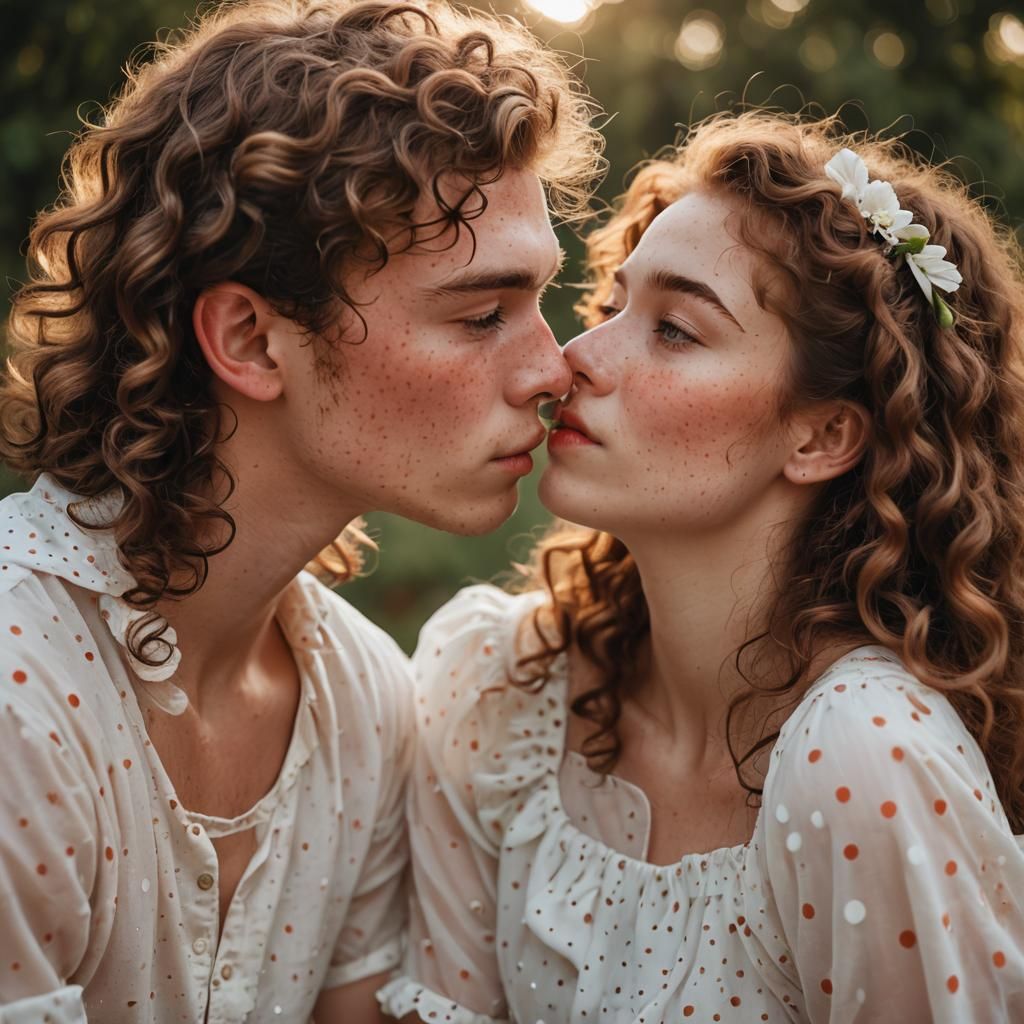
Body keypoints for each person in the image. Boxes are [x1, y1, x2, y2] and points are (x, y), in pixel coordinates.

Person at [0, 1, 601, 1020]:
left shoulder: (364, 702)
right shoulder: (22, 690)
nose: (553, 368)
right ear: (249, 337)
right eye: (480, 313)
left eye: (541, 301)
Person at [382, 111, 1024, 1023]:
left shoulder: (865, 760)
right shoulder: (499, 690)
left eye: (675, 330)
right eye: (611, 306)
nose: (573, 361)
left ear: (822, 434)